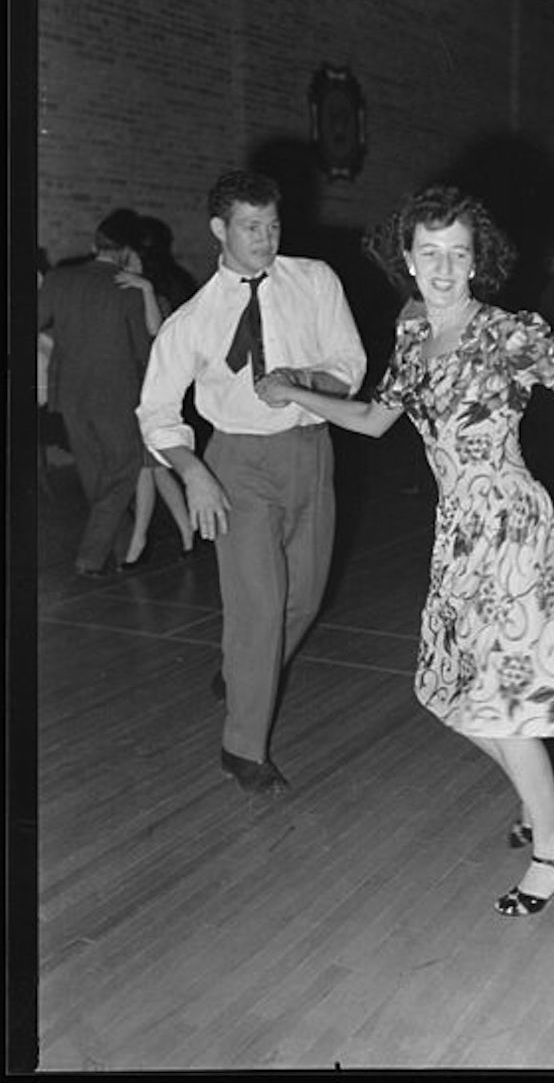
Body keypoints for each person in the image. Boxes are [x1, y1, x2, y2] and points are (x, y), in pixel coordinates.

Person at [254, 185, 554, 916]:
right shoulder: (409, 337)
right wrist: (295, 394)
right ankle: (544, 790)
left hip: (514, 528)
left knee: (494, 704)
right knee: (451, 694)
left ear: (476, 262)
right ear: (407, 258)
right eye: (428, 253)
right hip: (458, 530)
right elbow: (373, 420)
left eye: (457, 255)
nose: (442, 267)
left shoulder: (506, 333)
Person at [136, 170, 367, 796]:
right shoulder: (193, 318)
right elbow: (156, 411)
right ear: (219, 229)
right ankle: (243, 749)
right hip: (236, 464)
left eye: (272, 226)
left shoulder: (315, 281)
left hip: (311, 453)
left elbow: (350, 365)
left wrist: (300, 383)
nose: (265, 239)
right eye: (250, 227)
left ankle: (242, 670)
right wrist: (194, 473)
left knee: (305, 600)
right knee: (259, 609)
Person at [38, 209, 152, 576]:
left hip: (69, 392)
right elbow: (144, 352)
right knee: (127, 466)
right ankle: (90, 554)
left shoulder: (58, 279)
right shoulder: (128, 289)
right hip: (117, 394)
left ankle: (115, 549)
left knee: (92, 471)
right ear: (125, 252)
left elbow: (31, 321)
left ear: (93, 245)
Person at [114, 238, 195, 567]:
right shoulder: (123, 297)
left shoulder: (157, 296)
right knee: (156, 469)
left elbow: (157, 332)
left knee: (150, 467)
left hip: (157, 391)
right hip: (134, 389)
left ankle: (139, 541)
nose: (127, 267)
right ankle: (188, 533)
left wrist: (146, 289)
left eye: (132, 260)